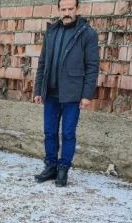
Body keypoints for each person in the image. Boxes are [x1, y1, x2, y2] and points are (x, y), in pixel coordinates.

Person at [32, 0, 99, 187]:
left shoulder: (87, 34)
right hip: (51, 93)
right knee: (49, 132)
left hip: (73, 94)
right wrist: (39, 90)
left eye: (71, 9)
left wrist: (86, 95)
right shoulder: (52, 31)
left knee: (68, 133)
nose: (67, 12)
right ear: (59, 10)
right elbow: (42, 63)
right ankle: (51, 166)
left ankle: (63, 169)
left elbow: (92, 67)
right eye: (64, 9)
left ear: (77, 9)